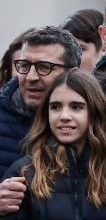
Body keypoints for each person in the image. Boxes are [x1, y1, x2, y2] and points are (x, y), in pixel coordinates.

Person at [0, 69, 106, 220]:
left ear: (94, 112)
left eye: (76, 107)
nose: (64, 116)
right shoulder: (25, 173)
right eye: (55, 107)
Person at [0, 26, 81, 177]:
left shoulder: (93, 122)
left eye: (44, 67)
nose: (30, 77)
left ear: (72, 74)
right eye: (24, 66)